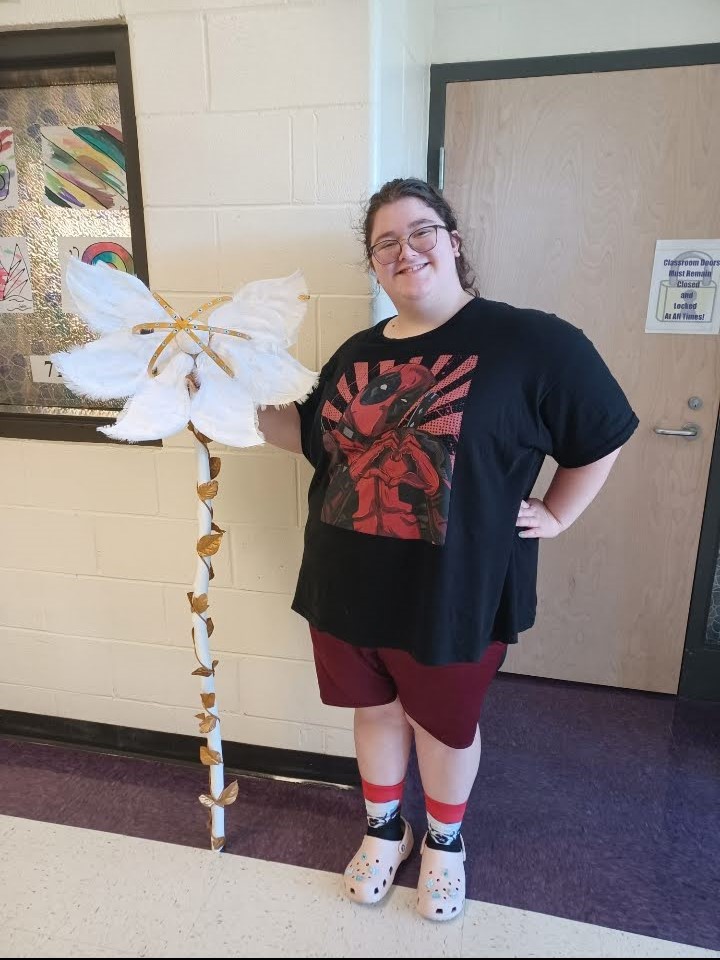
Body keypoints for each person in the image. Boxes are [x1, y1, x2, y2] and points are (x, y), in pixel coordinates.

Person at [258, 177, 638, 921]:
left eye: (421, 231)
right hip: (345, 581)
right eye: (386, 243)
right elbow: (310, 437)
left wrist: (559, 513)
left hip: (455, 590)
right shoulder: (357, 353)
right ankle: (383, 831)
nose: (406, 251)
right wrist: (214, 403)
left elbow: (602, 431)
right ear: (374, 264)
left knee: (444, 723)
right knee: (374, 711)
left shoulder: (531, 342)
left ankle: (444, 842)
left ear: (454, 242)